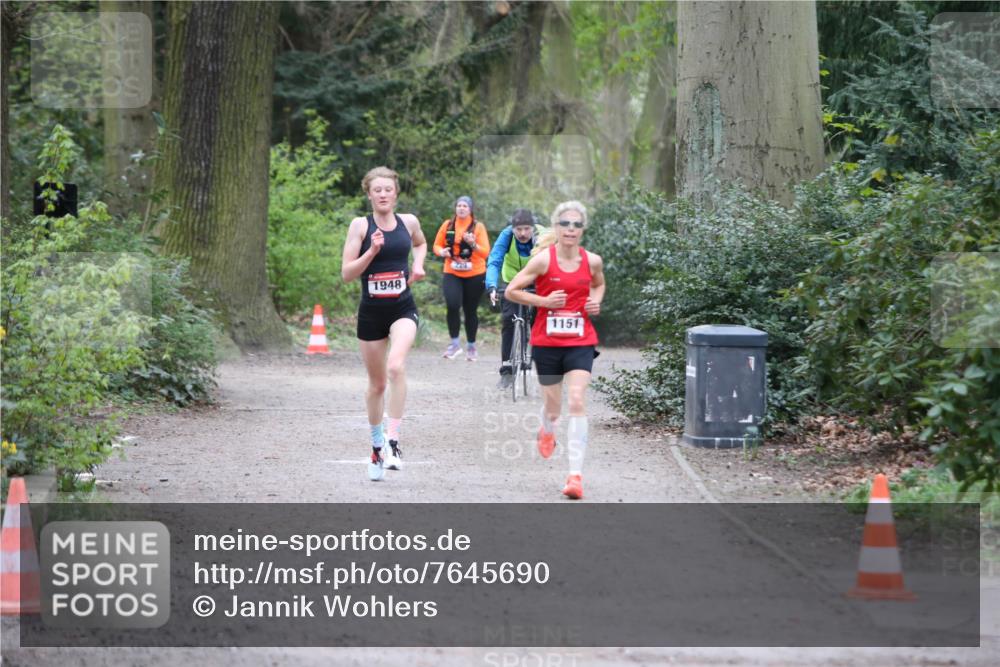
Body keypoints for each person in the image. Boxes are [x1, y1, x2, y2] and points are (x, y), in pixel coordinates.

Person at [503, 201, 604, 500]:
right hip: (547, 343)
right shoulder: (543, 261)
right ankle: (547, 428)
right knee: (554, 407)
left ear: (582, 229)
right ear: (556, 228)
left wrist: (595, 301)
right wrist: (545, 302)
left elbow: (598, 285)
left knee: (576, 400)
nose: (570, 229)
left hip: (581, 340)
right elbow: (512, 291)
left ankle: (575, 476)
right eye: (564, 224)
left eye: (576, 224)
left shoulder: (593, 261)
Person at [341, 166, 427, 481]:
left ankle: (393, 440)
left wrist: (417, 265)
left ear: (395, 193)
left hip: (403, 308)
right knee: (377, 385)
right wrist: (372, 251)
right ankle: (377, 446)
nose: (383, 194)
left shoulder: (409, 222)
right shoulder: (359, 226)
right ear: (369, 194)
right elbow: (347, 273)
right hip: (371, 313)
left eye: (388, 189)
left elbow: (420, 243)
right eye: (377, 190)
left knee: (396, 366)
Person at [485, 208, 541, 389]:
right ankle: (507, 370)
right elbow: (494, 261)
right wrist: (492, 286)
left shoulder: (542, 236)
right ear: (513, 228)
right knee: (509, 320)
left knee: (540, 322)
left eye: (527, 229)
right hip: (512, 282)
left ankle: (540, 359)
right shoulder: (506, 235)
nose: (523, 233)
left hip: (537, 281)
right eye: (519, 229)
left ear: (533, 227)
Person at [433, 196, 490, 361]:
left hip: (475, 273)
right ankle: (454, 344)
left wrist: (473, 244)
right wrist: (441, 252)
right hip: (452, 271)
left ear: (470, 209)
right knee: (452, 305)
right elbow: (436, 245)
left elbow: (485, 252)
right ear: (455, 208)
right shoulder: (448, 225)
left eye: (465, 206)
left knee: (470, 310)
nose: (462, 208)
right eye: (459, 205)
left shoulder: (478, 227)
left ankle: (471, 346)